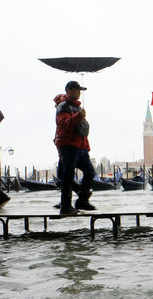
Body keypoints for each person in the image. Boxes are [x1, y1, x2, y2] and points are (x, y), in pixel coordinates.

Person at [55, 81, 97, 214]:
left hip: (81, 147)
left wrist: (86, 146)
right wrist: (79, 116)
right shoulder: (63, 107)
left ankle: (82, 200)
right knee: (68, 175)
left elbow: (82, 130)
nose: (79, 93)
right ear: (68, 90)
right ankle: (66, 206)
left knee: (90, 172)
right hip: (68, 146)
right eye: (76, 90)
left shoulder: (78, 108)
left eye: (80, 90)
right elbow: (64, 124)